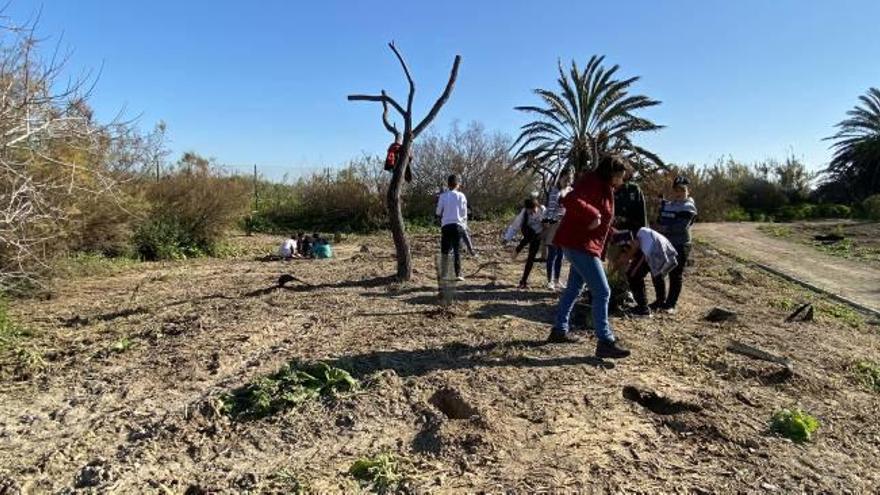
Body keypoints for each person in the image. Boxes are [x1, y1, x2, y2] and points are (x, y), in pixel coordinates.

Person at [549, 155, 631, 359]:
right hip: (580, 245)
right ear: (611, 173)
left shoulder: (603, 186)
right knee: (603, 291)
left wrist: (614, 234)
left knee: (574, 288)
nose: (622, 181)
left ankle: (559, 329)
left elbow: (601, 221)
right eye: (620, 176)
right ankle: (605, 341)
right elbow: (569, 199)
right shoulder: (592, 181)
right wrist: (593, 214)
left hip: (582, 244)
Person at [652, 175, 698, 314]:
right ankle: (660, 300)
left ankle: (671, 304)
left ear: (687, 191)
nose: (679, 193)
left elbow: (681, 227)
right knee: (658, 272)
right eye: (677, 190)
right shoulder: (668, 205)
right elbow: (660, 219)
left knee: (675, 274)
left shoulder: (688, 207)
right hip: (664, 243)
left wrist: (663, 228)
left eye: (682, 190)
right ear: (673, 191)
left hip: (680, 244)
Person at [614, 227, 679, 318]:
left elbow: (635, 244)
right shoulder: (622, 233)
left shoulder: (617, 236)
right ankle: (660, 302)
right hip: (657, 243)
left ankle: (643, 309)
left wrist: (626, 258)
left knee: (633, 275)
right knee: (656, 274)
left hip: (651, 246)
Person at [504, 198, 546, 289]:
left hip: (538, 234)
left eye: (533, 210)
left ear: (536, 206)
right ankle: (518, 248)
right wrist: (507, 238)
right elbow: (515, 226)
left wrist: (543, 235)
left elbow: (547, 225)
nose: (531, 212)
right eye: (529, 211)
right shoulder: (524, 213)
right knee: (529, 233)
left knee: (531, 257)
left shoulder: (542, 210)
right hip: (527, 231)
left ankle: (523, 280)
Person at [543, 170, 573, 290]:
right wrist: (551, 221)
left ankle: (557, 280)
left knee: (561, 255)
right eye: (565, 178)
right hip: (555, 224)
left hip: (566, 225)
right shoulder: (555, 190)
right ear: (560, 178)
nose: (567, 181)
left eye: (569, 179)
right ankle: (549, 280)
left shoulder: (571, 190)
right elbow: (551, 208)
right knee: (552, 253)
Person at [436, 174, 468, 281]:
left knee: (445, 250)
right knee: (456, 250)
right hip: (458, 225)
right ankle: (458, 273)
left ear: (448, 184)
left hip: (446, 225)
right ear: (457, 184)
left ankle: (444, 274)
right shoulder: (462, 196)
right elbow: (464, 213)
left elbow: (438, 212)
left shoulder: (443, 196)